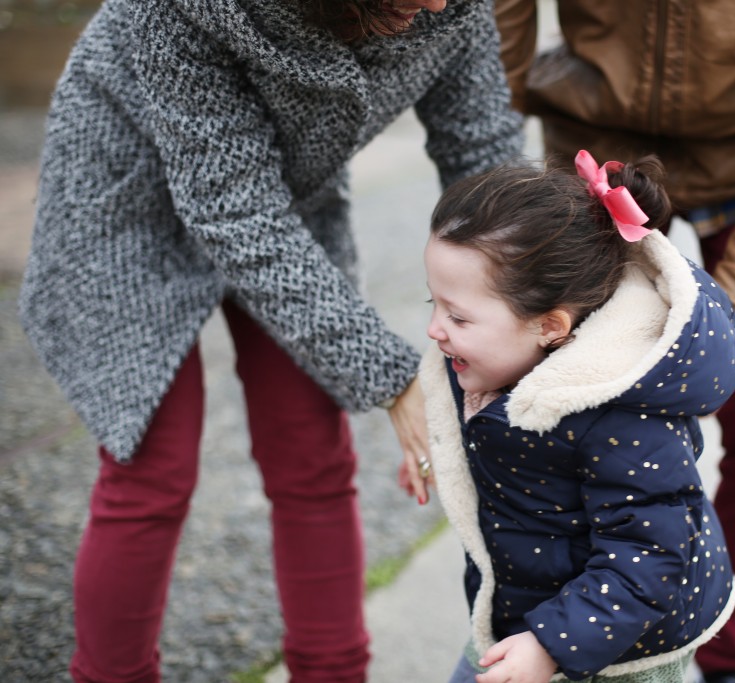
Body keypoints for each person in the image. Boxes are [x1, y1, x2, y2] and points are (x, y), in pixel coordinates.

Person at [16, 0, 522, 680]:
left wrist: (516, 327)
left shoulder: (452, 6)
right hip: (126, 202)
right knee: (150, 474)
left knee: (312, 455)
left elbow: (483, 160)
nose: (437, 5)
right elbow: (234, 212)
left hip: (288, 201)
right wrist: (395, 376)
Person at [493, 2, 735, 681]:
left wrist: (734, 317)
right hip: (596, 158)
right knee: (563, 424)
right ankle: (563, 639)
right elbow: (493, 40)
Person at [418, 151, 735, 683]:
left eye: (457, 315)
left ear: (550, 325)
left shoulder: (621, 419)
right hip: (529, 613)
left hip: (626, 647)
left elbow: (651, 553)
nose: (435, 329)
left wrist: (551, 643)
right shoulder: (496, 363)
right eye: (431, 303)